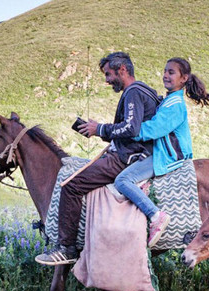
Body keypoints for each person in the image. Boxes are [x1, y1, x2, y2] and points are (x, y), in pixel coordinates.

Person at [35, 52, 160, 265]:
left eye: (109, 74)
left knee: (71, 185)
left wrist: (100, 127)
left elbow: (132, 128)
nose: (107, 80)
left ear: (122, 70)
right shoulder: (143, 90)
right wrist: (97, 131)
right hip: (132, 152)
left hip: (127, 159)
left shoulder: (133, 93)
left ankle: (67, 248)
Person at [113, 57, 209, 247]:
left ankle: (155, 215)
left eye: (171, 72)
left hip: (167, 155)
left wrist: (127, 133)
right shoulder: (169, 100)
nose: (166, 76)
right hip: (160, 151)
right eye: (165, 71)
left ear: (184, 78)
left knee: (122, 180)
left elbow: (154, 129)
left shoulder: (175, 105)